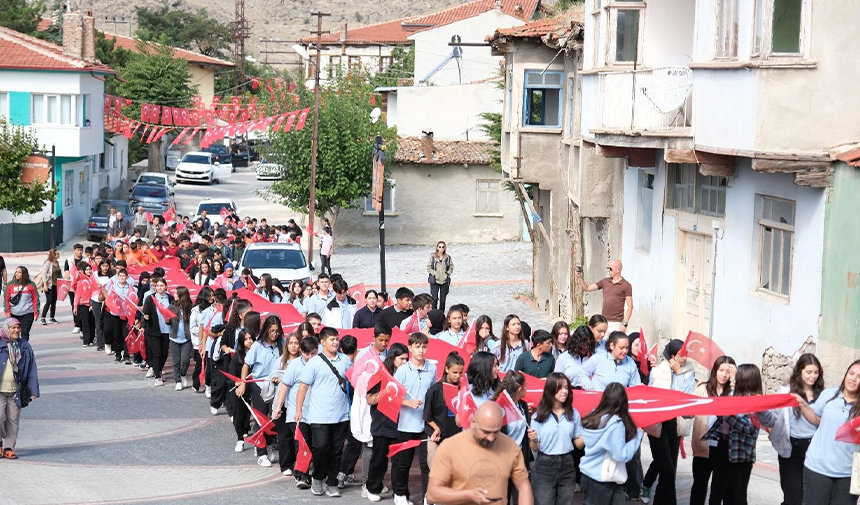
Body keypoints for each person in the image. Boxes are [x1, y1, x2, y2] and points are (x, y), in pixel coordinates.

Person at [426, 402, 533, 505]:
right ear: (473, 422)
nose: (491, 438)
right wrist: (469, 495)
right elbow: (432, 494)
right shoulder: (449, 447)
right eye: (486, 432)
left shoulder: (511, 447)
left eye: (496, 432)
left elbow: (524, 487)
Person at [703, 364, 777, 505]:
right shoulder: (730, 395)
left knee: (737, 496)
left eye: (737, 375)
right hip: (723, 447)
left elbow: (750, 428)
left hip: (742, 453)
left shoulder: (757, 402)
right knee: (716, 493)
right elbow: (720, 412)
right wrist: (724, 411)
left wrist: (728, 413)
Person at [294, 327, 351, 497]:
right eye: (332, 339)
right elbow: (303, 387)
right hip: (319, 415)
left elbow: (355, 378)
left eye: (337, 339)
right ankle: (318, 477)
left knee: (336, 450)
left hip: (341, 414)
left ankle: (332, 482)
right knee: (320, 447)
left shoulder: (345, 361)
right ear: (323, 342)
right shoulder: (315, 362)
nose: (335, 342)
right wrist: (298, 410)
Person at [793, 359, 860, 505]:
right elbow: (816, 418)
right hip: (817, 468)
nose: (853, 379)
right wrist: (803, 405)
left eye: (859, 376)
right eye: (851, 373)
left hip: (847, 474)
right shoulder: (829, 394)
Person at [640, 339, 695, 505]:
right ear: (671, 355)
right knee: (667, 468)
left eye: (686, 355)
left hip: (675, 423)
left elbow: (685, 396)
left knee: (670, 469)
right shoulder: (658, 370)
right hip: (658, 423)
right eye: (680, 355)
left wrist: (679, 373)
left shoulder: (688, 371)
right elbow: (654, 395)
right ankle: (650, 488)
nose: (684, 359)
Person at [770, 354, 824, 505]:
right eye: (808, 372)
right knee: (793, 497)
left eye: (816, 372)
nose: (812, 376)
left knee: (810, 498)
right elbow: (773, 418)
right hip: (791, 449)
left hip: (814, 449)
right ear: (800, 371)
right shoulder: (786, 392)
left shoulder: (823, 395)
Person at [580, 382, 644, 505]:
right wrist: (636, 436)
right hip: (605, 478)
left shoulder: (593, 416)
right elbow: (621, 455)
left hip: (591, 476)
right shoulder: (615, 424)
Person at [391, 332, 436, 505]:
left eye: (424, 346)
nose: (421, 350)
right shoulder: (402, 371)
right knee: (404, 462)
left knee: (427, 464)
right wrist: (407, 403)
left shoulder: (431, 368)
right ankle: (401, 494)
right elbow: (393, 396)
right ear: (410, 348)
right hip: (406, 424)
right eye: (417, 346)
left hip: (426, 424)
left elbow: (434, 393)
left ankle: (428, 496)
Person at [528, 373, 584, 505]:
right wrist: (534, 439)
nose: (564, 391)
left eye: (566, 387)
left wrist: (589, 432)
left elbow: (578, 444)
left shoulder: (574, 413)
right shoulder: (539, 415)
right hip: (545, 464)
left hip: (568, 464)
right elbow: (535, 447)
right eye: (560, 388)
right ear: (551, 389)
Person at [688, 356, 736, 505]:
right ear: (715, 370)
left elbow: (740, 411)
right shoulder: (702, 389)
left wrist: (735, 382)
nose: (724, 374)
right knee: (699, 487)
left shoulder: (734, 392)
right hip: (704, 445)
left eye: (728, 372)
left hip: (724, 448)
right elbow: (689, 412)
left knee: (718, 492)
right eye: (721, 370)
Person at [365, 342, 410, 502]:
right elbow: (370, 399)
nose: (405, 362)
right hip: (382, 421)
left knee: (399, 460)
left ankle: (399, 492)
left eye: (407, 359)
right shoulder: (381, 375)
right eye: (401, 359)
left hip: (401, 422)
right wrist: (386, 391)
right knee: (380, 458)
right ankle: (372, 487)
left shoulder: (408, 374)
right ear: (393, 358)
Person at [238, 315, 284, 467]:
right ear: (266, 330)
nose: (274, 334)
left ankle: (269, 445)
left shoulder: (282, 344)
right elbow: (246, 365)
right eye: (272, 331)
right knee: (260, 419)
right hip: (259, 386)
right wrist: (243, 384)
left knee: (274, 419)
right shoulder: (258, 346)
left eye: (277, 331)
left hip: (277, 386)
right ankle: (261, 452)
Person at [0, 318, 39, 460]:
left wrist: (33, 390)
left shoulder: (24, 346)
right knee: (0, 417)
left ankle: (8, 447)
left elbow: (31, 369)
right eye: (13, 328)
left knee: (13, 419)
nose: (16, 330)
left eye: (18, 328)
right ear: (6, 329)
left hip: (16, 390)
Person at [425, 352, 465, 467]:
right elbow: (427, 416)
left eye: (460, 373)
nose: (457, 376)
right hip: (437, 438)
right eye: (454, 372)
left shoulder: (463, 389)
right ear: (446, 369)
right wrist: (436, 428)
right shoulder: (435, 390)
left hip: (457, 439)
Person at [576, 261, 632, 334]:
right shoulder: (605, 282)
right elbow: (587, 288)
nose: (608, 270)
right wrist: (579, 277)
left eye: (611, 268)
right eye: (608, 268)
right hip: (604, 321)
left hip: (617, 323)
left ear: (618, 270)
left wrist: (625, 324)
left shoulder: (626, 285)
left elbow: (630, 306)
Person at [141, 278, 175, 386]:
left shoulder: (170, 299)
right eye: (157, 286)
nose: (159, 288)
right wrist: (145, 320)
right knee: (157, 353)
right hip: (153, 330)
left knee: (164, 354)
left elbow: (174, 313)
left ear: (166, 287)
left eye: (161, 285)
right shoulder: (150, 299)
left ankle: (158, 370)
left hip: (166, 330)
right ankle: (158, 376)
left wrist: (170, 321)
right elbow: (145, 314)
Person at [230, 329, 255, 450]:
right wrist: (237, 383)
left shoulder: (258, 353)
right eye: (246, 339)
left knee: (257, 415)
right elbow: (231, 375)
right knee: (239, 414)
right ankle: (240, 439)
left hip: (256, 390)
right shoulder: (237, 357)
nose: (249, 341)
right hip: (241, 390)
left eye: (251, 338)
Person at [167, 286, 194, 391]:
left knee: (186, 360)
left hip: (186, 338)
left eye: (176, 293)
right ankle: (178, 380)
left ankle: (182, 374)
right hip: (174, 338)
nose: (174, 294)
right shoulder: (171, 307)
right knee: (176, 361)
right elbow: (168, 322)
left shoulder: (190, 308)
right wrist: (167, 320)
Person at [4, 266, 39, 342]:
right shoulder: (10, 285)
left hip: (27, 313)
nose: (16, 274)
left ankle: (24, 350)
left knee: (25, 333)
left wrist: (36, 312)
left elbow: (35, 299)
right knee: (13, 334)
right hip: (14, 314)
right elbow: (6, 300)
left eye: (19, 272)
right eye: (16, 272)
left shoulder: (31, 285)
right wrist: (7, 311)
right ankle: (15, 350)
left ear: (24, 274)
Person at [72, 262, 95, 347]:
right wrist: (75, 307)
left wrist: (92, 305)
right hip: (82, 305)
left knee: (92, 323)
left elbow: (95, 293)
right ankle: (86, 341)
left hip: (92, 304)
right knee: (85, 322)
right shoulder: (80, 282)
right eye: (87, 270)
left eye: (90, 269)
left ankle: (92, 339)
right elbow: (77, 295)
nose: (89, 271)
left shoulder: (94, 281)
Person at [427, 241, 453, 312]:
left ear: (445, 248)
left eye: (443, 247)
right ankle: (434, 312)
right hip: (435, 280)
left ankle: (441, 314)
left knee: (442, 300)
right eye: (439, 247)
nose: (441, 248)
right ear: (437, 247)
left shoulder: (448, 258)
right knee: (434, 298)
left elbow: (451, 267)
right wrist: (434, 273)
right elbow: (429, 268)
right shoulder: (433, 257)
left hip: (444, 280)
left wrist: (448, 273)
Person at [37, 249, 61, 325]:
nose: (58, 255)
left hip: (56, 285)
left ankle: (52, 317)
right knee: (49, 301)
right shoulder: (48, 263)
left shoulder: (57, 262)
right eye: (57, 253)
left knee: (54, 301)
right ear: (53, 255)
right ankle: (43, 317)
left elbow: (59, 274)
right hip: (49, 285)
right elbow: (44, 274)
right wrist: (45, 284)